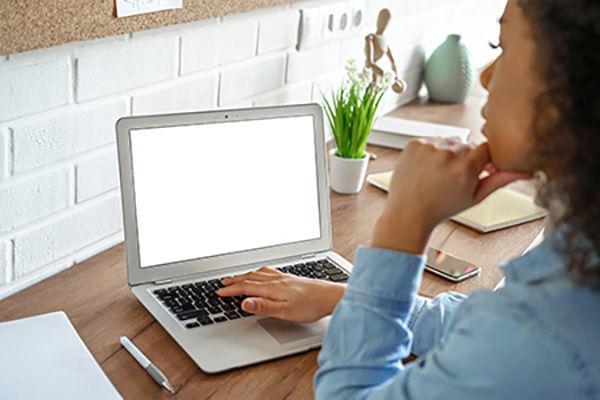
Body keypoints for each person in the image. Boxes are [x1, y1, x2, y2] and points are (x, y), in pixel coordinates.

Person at [218, 0, 600, 397]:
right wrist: (346, 297)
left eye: (502, 46)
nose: (486, 77)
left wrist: (405, 222)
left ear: (575, 81)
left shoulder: (548, 333)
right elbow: (487, 325)